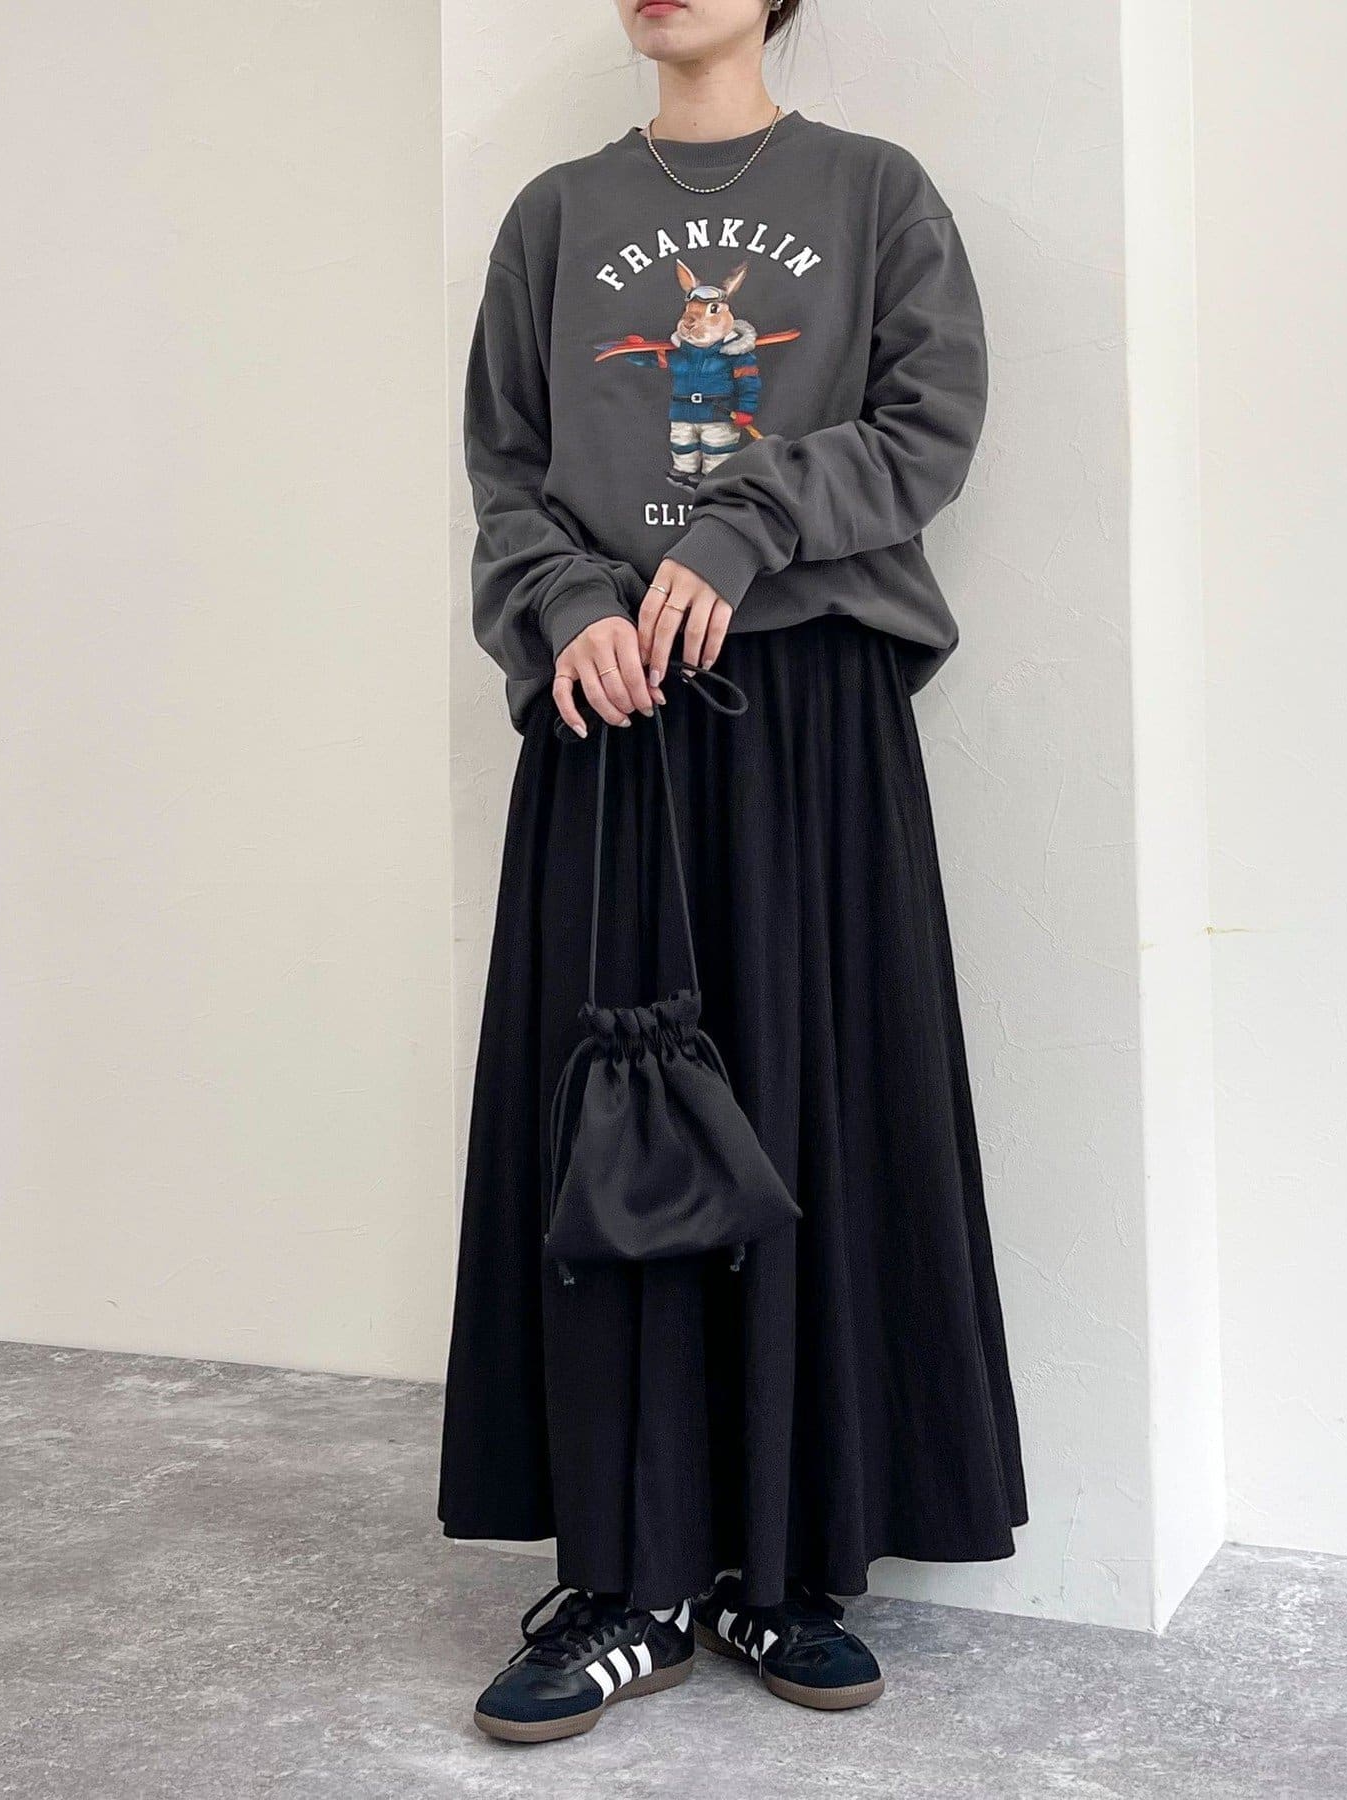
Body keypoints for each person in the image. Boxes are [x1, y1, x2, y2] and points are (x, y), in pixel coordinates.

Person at [438, 0, 1028, 1746]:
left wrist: (748, 519)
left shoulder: (875, 192)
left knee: (808, 1113)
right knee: (605, 1146)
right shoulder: (557, 215)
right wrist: (565, 608)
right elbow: (506, 475)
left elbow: (930, 422)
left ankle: (783, 1567)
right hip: (611, 720)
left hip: (809, 726)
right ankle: (622, 1586)